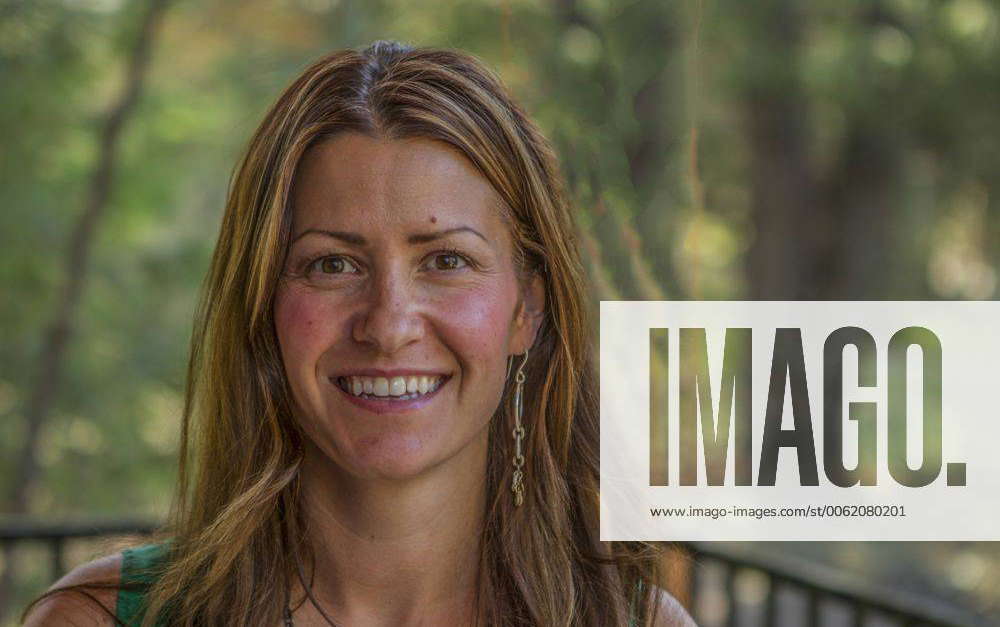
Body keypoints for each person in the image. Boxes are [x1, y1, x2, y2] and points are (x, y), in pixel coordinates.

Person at [23, 40, 696, 626]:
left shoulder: (636, 622)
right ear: (264, 305)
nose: (388, 324)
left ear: (527, 310)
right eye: (332, 263)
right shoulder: (97, 619)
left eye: (446, 260)